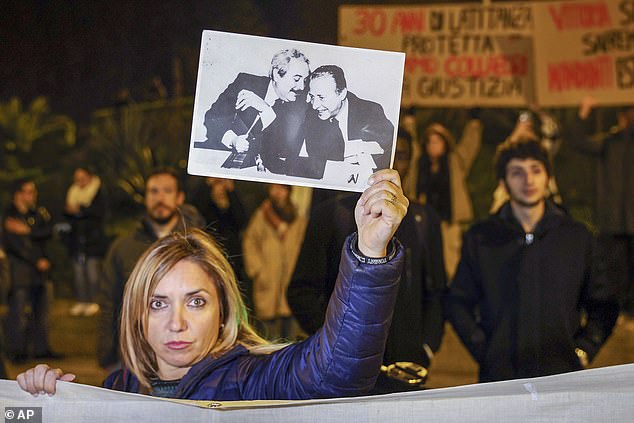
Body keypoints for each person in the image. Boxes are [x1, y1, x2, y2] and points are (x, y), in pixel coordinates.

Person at [17, 169, 408, 401]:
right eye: (158, 303)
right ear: (136, 312)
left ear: (223, 308)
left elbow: (337, 369)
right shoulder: (116, 390)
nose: (176, 323)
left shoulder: (253, 381)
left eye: (196, 301)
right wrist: (43, 407)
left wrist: (370, 253)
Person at [445, 138, 619, 383]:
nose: (528, 180)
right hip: (500, 378)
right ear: (504, 181)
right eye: (517, 172)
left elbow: (604, 304)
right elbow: (458, 302)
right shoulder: (482, 237)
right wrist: (486, 350)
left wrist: (584, 350)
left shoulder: (576, 237)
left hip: (561, 376)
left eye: (536, 170)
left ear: (547, 177)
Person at [288, 130, 446, 393]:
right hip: (341, 370)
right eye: (381, 157)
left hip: (405, 368)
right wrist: (332, 342)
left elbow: (436, 292)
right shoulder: (332, 215)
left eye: (402, 156)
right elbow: (301, 290)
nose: (391, 168)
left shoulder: (423, 219)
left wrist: (426, 347)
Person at [97, 168, 203, 370]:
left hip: (189, 356)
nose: (160, 198)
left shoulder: (199, 246)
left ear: (179, 197)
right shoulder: (123, 248)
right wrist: (106, 351)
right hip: (133, 357)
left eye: (167, 191)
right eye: (153, 191)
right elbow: (109, 301)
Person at [566, 97, 634, 316]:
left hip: (623, 220)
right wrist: (584, 112)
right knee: (615, 270)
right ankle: (618, 311)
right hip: (613, 221)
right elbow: (576, 140)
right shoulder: (609, 142)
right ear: (621, 117)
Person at [194, 49, 310, 171]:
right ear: (276, 74)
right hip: (217, 156)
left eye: (305, 80)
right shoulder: (246, 82)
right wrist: (232, 140)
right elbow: (212, 117)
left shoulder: (302, 103)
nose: (301, 87)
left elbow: (287, 151)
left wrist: (266, 110)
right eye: (297, 79)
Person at [289, 65, 394, 179]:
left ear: (342, 94)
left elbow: (389, 149)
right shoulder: (311, 116)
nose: (315, 105)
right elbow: (317, 159)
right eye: (312, 96)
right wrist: (355, 148)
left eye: (321, 97)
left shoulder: (370, 112)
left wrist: (355, 148)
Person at [416, 116, 482, 279]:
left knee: (452, 258)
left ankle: (453, 291)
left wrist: (474, 123)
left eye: (437, 141)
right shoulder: (420, 165)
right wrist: (410, 121)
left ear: (445, 143)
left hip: (449, 221)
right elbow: (411, 146)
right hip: (425, 221)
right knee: (424, 258)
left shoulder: (454, 163)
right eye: (430, 142)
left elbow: (469, 148)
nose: (433, 145)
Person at [2, 179, 59, 362]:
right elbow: (13, 245)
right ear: (17, 194)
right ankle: (17, 351)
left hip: (41, 272)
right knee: (18, 312)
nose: (32, 195)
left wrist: (27, 230)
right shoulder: (8, 215)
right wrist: (36, 260)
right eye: (28, 191)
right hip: (20, 272)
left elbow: (48, 232)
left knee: (42, 312)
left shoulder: (38, 213)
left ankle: (41, 349)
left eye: (33, 191)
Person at [243, 184, 307, 340]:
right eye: (274, 188)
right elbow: (250, 242)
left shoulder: (298, 218)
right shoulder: (261, 216)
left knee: (291, 336)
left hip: (290, 281)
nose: (278, 193)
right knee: (268, 337)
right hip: (268, 281)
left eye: (282, 189)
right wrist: (257, 270)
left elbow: (305, 246)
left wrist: (300, 271)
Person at [490, 108, 563, 213]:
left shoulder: (541, 153)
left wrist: (540, 110)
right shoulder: (508, 156)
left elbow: (553, 135)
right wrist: (517, 133)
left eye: (536, 171)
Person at [64, 167, 108, 317]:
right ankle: (81, 301)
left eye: (83, 176)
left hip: (93, 242)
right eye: (77, 177)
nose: (80, 180)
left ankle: (94, 302)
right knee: (79, 274)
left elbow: (99, 213)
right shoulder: (72, 193)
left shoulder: (98, 193)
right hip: (77, 242)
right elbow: (68, 215)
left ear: (90, 177)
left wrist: (81, 210)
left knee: (93, 274)